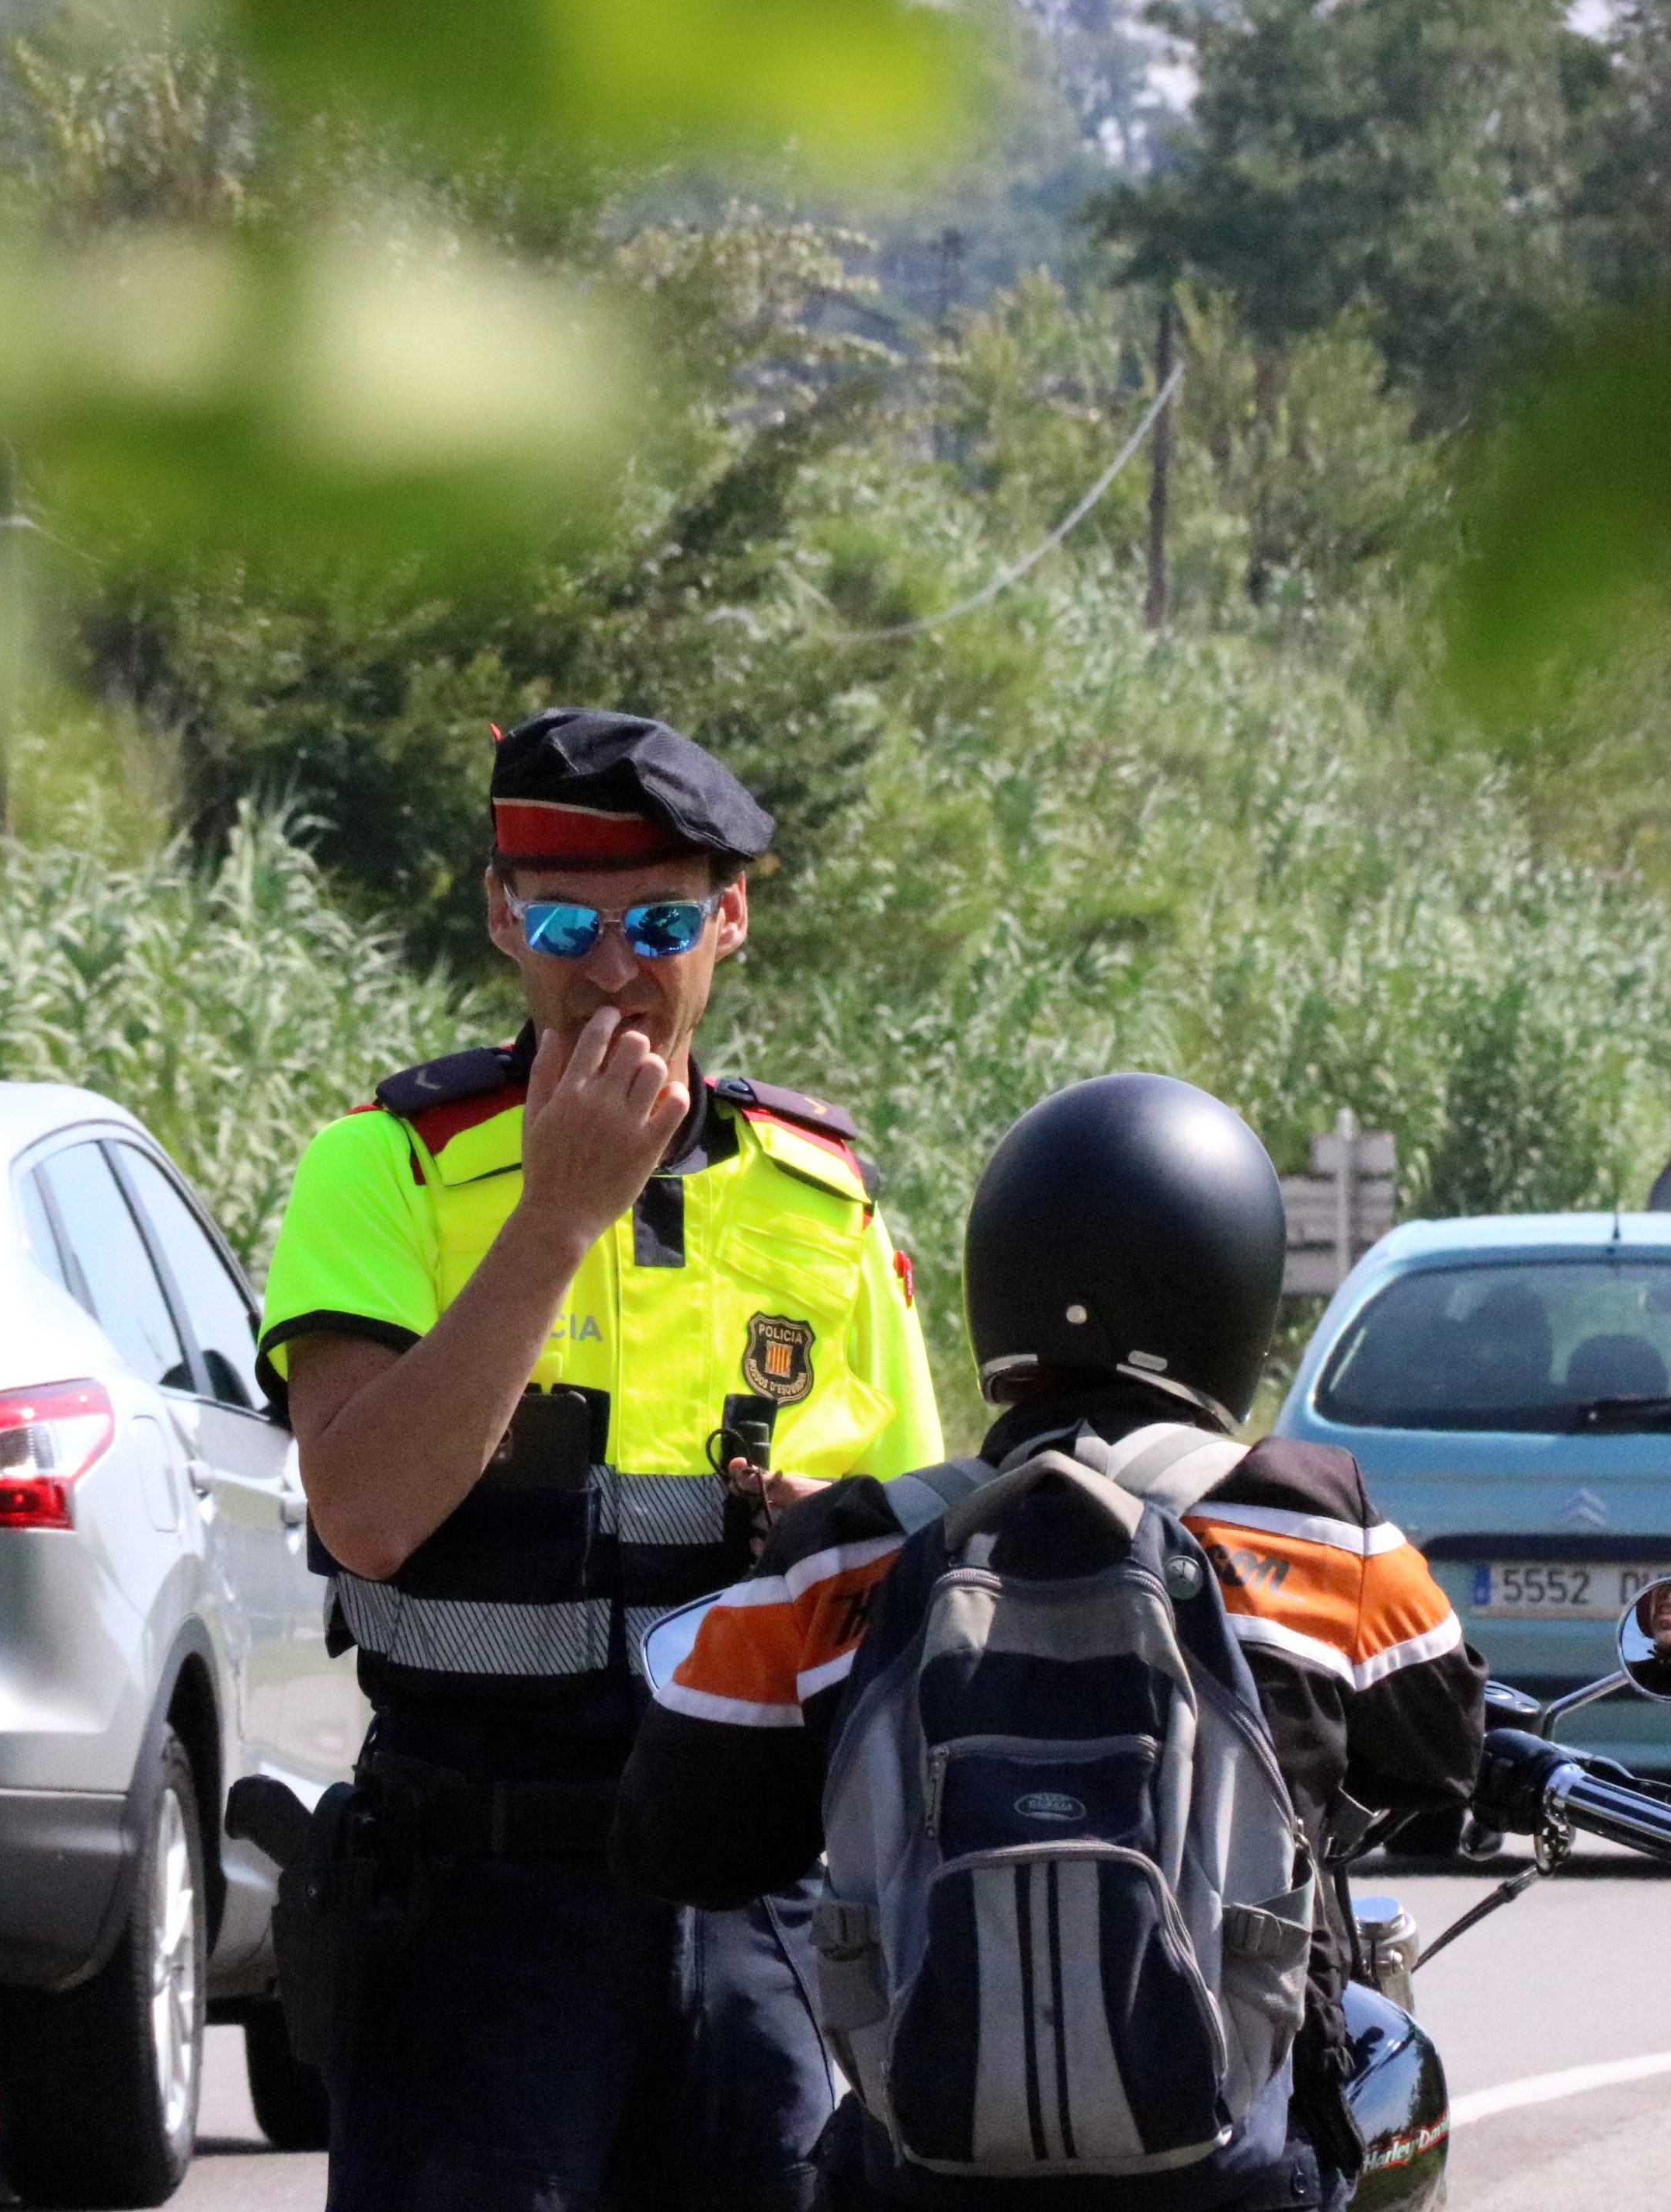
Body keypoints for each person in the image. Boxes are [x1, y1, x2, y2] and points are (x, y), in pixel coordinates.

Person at [259, 707, 947, 2212]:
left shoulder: (825, 1203)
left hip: (755, 1902)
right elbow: (365, 1512)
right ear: (503, 910)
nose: (616, 964)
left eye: (664, 920)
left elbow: (911, 1571)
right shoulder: (387, 1164)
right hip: (473, 1910)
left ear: (734, 918)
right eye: (568, 917)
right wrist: (558, 1213)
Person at [615, 1073, 1486, 2212]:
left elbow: (678, 1835)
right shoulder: (1321, 1531)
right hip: (1233, 2176)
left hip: (925, 2173)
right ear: (1230, 1288)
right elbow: (1443, 1751)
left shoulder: (851, 1551)